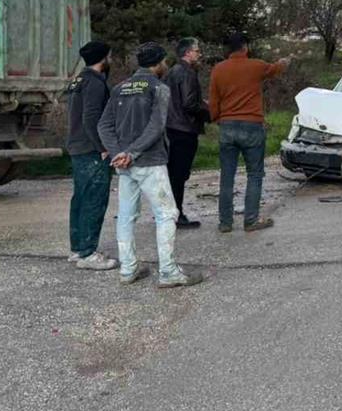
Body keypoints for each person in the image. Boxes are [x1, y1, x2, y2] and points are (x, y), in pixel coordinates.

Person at [97, 42, 203, 288]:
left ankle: (128, 269)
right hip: (150, 162)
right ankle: (168, 272)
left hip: (124, 164)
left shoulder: (119, 88)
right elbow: (156, 127)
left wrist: (118, 153)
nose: (166, 65)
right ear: (158, 63)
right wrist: (131, 153)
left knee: (126, 216)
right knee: (167, 214)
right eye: (164, 61)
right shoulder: (159, 88)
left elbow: (104, 125)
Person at [209, 32, 288, 233]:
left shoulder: (218, 70)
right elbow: (275, 69)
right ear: (245, 47)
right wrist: (284, 61)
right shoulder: (256, 66)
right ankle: (251, 220)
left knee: (227, 176)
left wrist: (219, 119)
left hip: (227, 126)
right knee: (254, 174)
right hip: (252, 126)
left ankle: (225, 222)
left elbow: (214, 102)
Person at [65, 41, 118, 271]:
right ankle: (88, 252)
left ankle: (78, 249)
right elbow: (91, 118)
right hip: (91, 149)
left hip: (77, 146)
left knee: (80, 198)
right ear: (102, 58)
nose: (111, 59)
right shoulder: (95, 83)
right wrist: (103, 147)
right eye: (110, 55)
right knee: (94, 200)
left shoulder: (78, 80)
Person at [164, 37, 210, 229]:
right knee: (179, 174)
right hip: (185, 128)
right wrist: (207, 111)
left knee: (173, 173)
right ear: (188, 53)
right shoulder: (187, 73)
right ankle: (177, 214)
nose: (199, 54)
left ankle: (170, 212)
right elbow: (189, 103)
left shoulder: (171, 72)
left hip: (172, 127)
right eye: (197, 51)